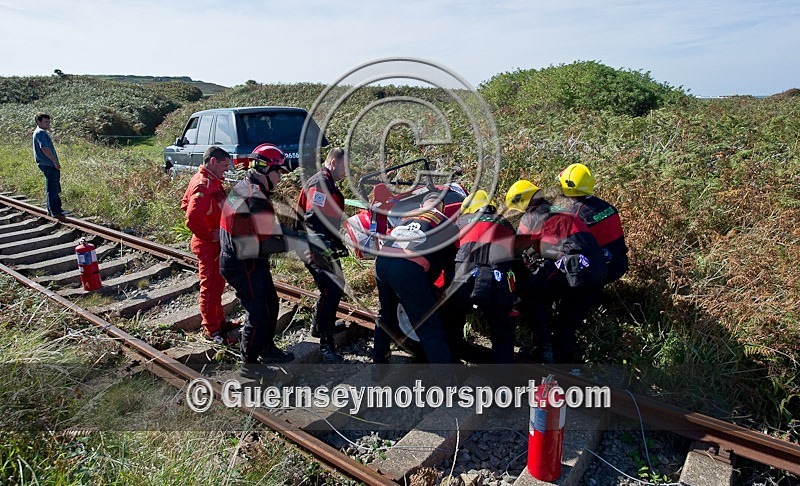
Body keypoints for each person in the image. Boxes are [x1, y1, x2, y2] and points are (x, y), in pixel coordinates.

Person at [219, 144, 309, 379]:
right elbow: (268, 241)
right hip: (243, 262)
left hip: (247, 257)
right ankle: (249, 364)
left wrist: (295, 237)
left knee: (270, 304)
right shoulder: (254, 197)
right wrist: (300, 242)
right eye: (278, 172)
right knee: (258, 312)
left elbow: (267, 232)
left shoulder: (248, 188)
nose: (280, 178)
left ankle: (267, 349)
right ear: (266, 169)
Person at [515, 187, 607, 363]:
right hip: (597, 270)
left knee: (531, 295)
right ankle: (561, 359)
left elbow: (517, 249)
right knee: (568, 318)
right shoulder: (564, 211)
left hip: (572, 267)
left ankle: (544, 352)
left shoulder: (532, 216)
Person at [373, 190, 459, 364]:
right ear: (442, 208)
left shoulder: (407, 216)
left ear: (422, 206)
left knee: (386, 314)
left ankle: (378, 361)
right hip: (407, 268)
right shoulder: (448, 224)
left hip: (381, 262)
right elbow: (450, 265)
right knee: (430, 327)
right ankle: (446, 383)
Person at [446, 190, 517, 363]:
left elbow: (448, 254)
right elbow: (515, 258)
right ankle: (501, 382)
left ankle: (452, 366)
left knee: (453, 321)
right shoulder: (506, 224)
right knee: (502, 332)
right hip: (495, 278)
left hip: (464, 277)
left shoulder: (460, 222)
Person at [294, 147, 349, 363]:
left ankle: (319, 326)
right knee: (331, 288)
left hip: (321, 244)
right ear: (334, 162)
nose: (347, 173)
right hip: (312, 245)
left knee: (334, 286)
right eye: (345, 167)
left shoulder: (328, 182)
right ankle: (326, 344)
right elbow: (312, 219)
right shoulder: (320, 183)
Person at [181, 146, 234, 345]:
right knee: (210, 287)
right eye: (224, 165)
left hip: (215, 244)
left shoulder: (210, 181)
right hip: (209, 246)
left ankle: (219, 322)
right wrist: (211, 236)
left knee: (217, 286)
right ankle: (212, 330)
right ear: (213, 161)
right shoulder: (203, 185)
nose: (226, 170)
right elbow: (192, 218)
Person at [556, 163, 628, 283]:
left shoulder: (576, 217)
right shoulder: (606, 206)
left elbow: (569, 249)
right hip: (619, 263)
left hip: (600, 270)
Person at [32, 113, 65, 219]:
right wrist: (54, 161)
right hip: (48, 164)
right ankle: (55, 211)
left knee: (51, 186)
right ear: (38, 122)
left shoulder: (38, 132)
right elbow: (44, 148)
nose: (48, 124)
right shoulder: (41, 133)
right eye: (46, 122)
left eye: (49, 122)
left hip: (44, 163)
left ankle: (51, 209)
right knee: (53, 187)